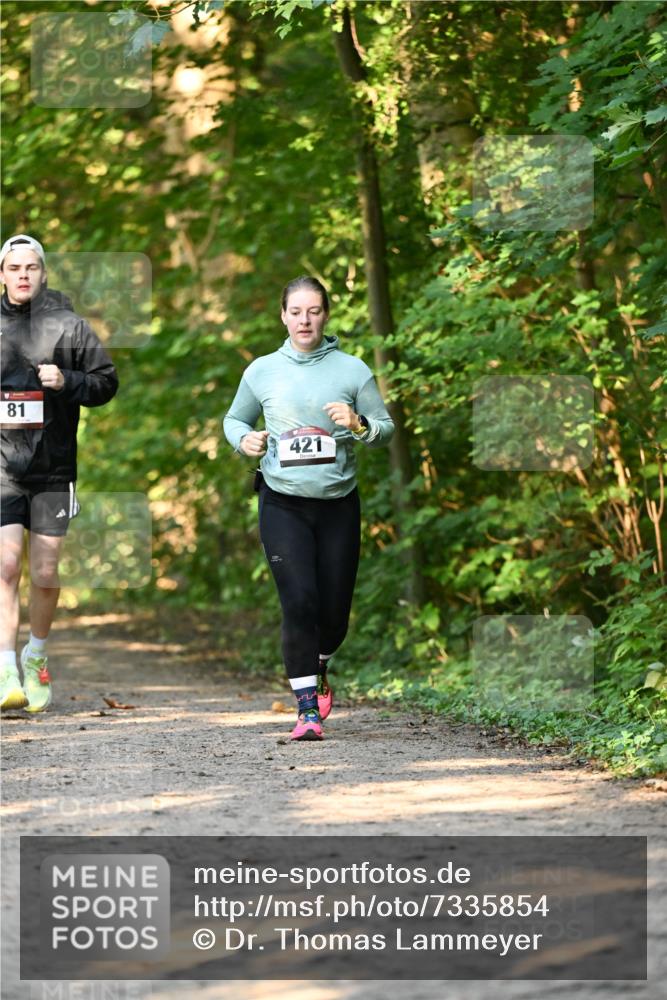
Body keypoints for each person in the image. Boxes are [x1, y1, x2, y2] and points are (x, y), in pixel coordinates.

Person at [224, 276, 394, 741]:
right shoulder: (261, 371)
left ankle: (320, 662)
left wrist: (359, 424)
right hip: (282, 502)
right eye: (296, 311)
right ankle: (306, 710)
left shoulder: (352, 370)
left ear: (326, 315)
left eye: (314, 311)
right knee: (299, 601)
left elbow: (385, 426)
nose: (305, 319)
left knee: (334, 615)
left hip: (338, 503)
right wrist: (245, 439)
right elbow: (235, 418)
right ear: (283, 315)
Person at [0, 234, 119, 712]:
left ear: (44, 273)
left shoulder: (70, 327)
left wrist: (66, 380)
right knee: (6, 566)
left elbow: (106, 382)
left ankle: (36, 655)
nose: (23, 275)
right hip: (3, 467)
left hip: (53, 470)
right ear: (2, 275)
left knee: (45, 573)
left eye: (32, 267)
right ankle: (5, 665)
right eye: (15, 268)